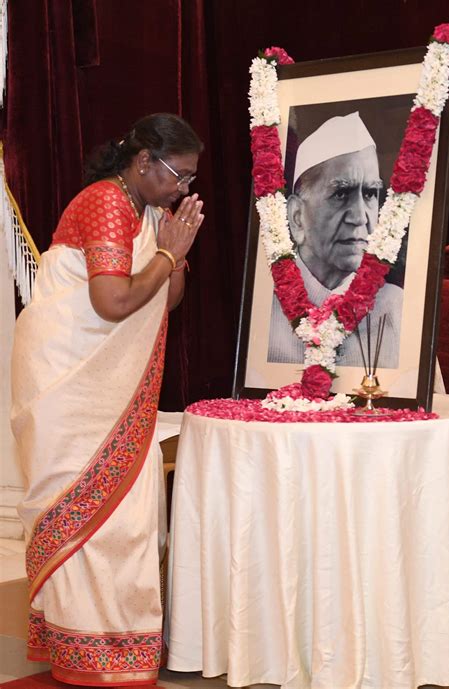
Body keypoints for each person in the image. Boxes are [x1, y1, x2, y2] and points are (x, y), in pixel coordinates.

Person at [10, 113, 204, 687]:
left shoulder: (149, 212)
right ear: (144, 162)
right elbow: (113, 303)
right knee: (85, 511)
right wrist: (166, 256)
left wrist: (176, 251)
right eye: (178, 175)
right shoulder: (104, 203)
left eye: (190, 180)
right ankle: (84, 646)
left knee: (128, 514)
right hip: (69, 381)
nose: (183, 189)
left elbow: (163, 303)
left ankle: (117, 642)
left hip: (110, 388)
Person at [267, 111, 403, 368]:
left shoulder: (397, 307)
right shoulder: (263, 310)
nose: (360, 217)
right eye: (341, 193)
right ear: (297, 216)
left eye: (371, 193)